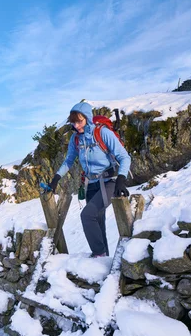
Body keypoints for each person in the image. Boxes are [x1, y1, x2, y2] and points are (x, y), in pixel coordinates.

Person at [48, 102, 131, 257]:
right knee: (98, 224)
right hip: (90, 185)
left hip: (109, 182)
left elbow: (124, 156)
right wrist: (56, 178)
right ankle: (104, 258)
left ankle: (98, 254)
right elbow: (68, 160)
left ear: (87, 118)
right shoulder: (76, 139)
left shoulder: (102, 133)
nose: (77, 125)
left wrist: (121, 179)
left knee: (87, 215)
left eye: (80, 121)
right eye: (73, 122)